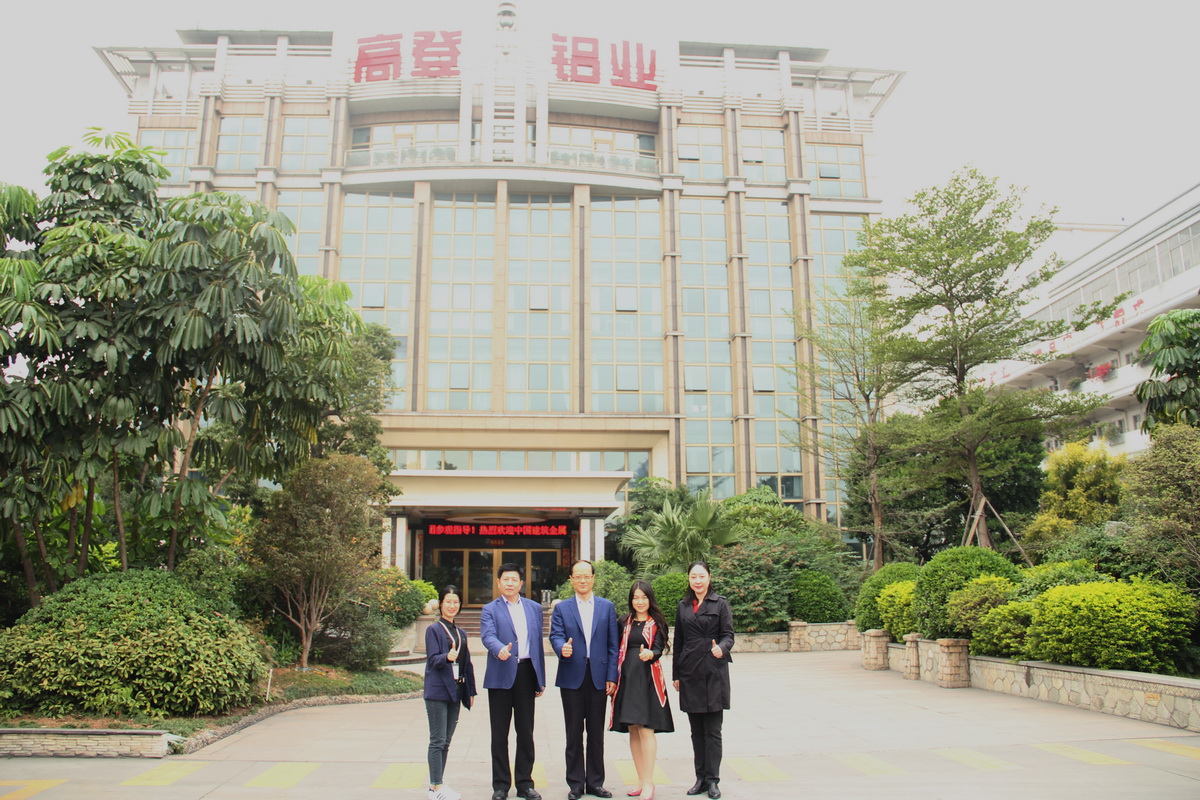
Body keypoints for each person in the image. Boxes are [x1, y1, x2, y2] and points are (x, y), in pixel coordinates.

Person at [550, 560, 619, 800]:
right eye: (577, 576)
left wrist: (612, 675)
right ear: (571, 579)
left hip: (599, 677)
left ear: (593, 578)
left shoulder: (606, 607)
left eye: (586, 576)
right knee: (573, 733)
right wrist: (562, 649)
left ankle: (596, 783)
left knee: (596, 734)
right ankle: (576, 784)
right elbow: (555, 635)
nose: (582, 580)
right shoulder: (562, 608)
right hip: (572, 677)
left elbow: (613, 644)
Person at [480, 563, 547, 800]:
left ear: (521, 583)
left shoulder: (534, 608)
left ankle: (525, 784)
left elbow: (538, 645)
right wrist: (499, 649)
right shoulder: (490, 609)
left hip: (526, 673)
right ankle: (500, 786)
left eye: (514, 579)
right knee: (499, 734)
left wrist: (540, 679)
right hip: (500, 673)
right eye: (505, 579)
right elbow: (487, 636)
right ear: (498, 583)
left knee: (525, 732)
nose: (510, 583)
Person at [672, 561, 733, 800]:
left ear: (709, 577)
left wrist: (722, 647)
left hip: (714, 671)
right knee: (696, 731)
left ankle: (713, 780)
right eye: (693, 577)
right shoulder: (683, 605)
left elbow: (729, 634)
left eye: (701, 576)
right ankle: (700, 778)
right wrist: (676, 674)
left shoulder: (721, 603)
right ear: (688, 579)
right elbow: (678, 642)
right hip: (690, 672)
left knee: (713, 731)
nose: (697, 581)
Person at [610, 580, 673, 800]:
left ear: (650, 599)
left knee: (647, 729)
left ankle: (649, 782)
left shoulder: (657, 622)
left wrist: (651, 654)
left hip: (648, 680)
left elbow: (658, 647)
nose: (639, 601)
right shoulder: (623, 622)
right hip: (627, 679)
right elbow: (614, 647)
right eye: (635, 597)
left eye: (644, 597)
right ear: (631, 600)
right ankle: (639, 780)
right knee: (633, 729)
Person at [424, 585, 477, 800]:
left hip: (455, 691)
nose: (452, 606)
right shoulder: (434, 630)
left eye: (456, 602)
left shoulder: (460, 632)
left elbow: (467, 663)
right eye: (448, 602)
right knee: (437, 740)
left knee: (446, 741)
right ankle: (435, 786)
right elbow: (432, 660)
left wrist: (470, 691)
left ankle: (439, 784)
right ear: (441, 604)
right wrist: (446, 657)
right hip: (438, 691)